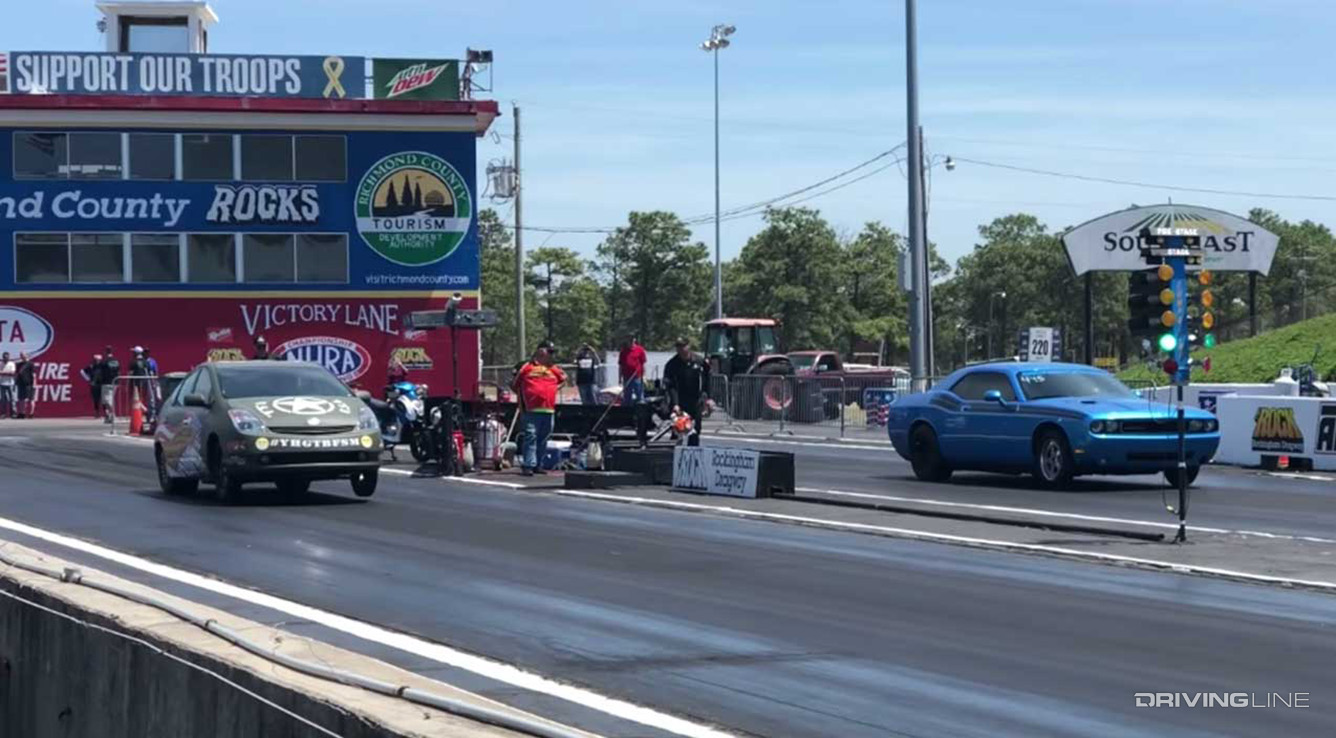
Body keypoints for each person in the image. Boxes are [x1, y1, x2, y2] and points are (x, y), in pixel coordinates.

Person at [511, 340, 566, 477]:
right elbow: (515, 384)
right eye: (550, 351)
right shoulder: (527, 367)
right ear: (541, 351)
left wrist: (554, 389)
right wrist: (525, 396)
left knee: (543, 438)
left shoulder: (553, 368)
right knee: (531, 437)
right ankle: (528, 465)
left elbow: (564, 379)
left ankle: (539, 465)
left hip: (548, 409)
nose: (552, 355)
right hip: (531, 409)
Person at [663, 337, 710, 446]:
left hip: (696, 400)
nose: (681, 350)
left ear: (688, 346)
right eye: (679, 347)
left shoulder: (699, 361)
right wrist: (675, 403)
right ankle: (675, 453)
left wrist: (708, 398)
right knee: (678, 429)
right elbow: (670, 386)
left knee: (695, 430)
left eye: (683, 346)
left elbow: (708, 379)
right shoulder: (672, 364)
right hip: (680, 401)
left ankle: (692, 452)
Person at [618, 335, 647, 405]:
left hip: (637, 376)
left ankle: (641, 411)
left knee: (639, 396)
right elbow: (620, 366)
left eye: (632, 339)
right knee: (627, 397)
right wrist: (620, 378)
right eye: (629, 339)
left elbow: (643, 364)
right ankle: (627, 412)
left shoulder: (640, 350)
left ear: (634, 340)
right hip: (627, 377)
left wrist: (644, 376)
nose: (631, 341)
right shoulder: (623, 351)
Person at [97, 346, 121, 424]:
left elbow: (100, 372)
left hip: (106, 383)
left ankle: (113, 415)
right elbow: (118, 371)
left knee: (107, 400)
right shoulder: (116, 361)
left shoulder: (104, 361)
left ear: (106, 352)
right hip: (115, 382)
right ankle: (108, 416)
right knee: (109, 399)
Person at [14, 352, 35, 419]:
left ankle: (31, 414)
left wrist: (34, 384)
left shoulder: (31, 364)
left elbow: (34, 375)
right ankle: (22, 413)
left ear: (27, 355)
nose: (22, 357)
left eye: (23, 355)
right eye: (21, 355)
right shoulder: (19, 364)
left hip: (29, 384)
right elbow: (17, 374)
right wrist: (16, 382)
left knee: (30, 399)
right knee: (21, 399)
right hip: (20, 383)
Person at [82, 353, 102, 418]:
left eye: (98, 360)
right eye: (96, 360)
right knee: (96, 399)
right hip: (94, 385)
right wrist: (88, 379)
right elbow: (82, 371)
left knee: (103, 399)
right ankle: (97, 413)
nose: (97, 361)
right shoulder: (91, 366)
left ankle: (106, 413)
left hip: (101, 384)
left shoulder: (102, 366)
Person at [0, 352, 14, 419]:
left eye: (7, 357)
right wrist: (7, 373)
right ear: (3, 357)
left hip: (10, 383)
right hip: (2, 383)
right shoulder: (0, 363)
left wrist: (3, 373)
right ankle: (3, 413)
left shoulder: (12, 364)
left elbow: (12, 373)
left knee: (12, 399)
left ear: (9, 357)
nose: (6, 358)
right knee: (3, 399)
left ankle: (13, 413)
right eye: (5, 357)